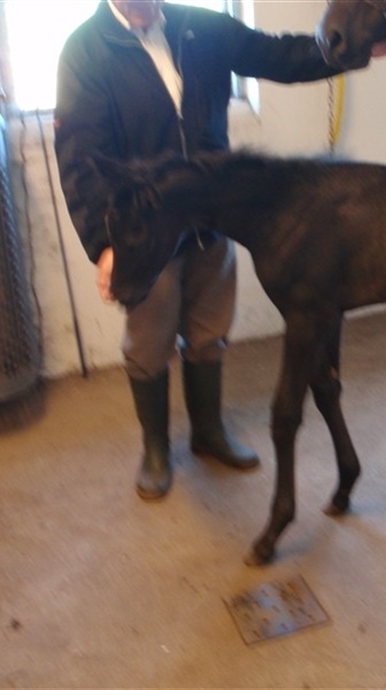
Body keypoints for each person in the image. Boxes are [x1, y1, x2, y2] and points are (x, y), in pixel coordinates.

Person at [54, 0, 352, 500]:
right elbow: (80, 160)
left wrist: (354, 47)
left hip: (212, 219)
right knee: (150, 341)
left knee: (210, 329)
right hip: (149, 231)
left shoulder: (201, 27)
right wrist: (104, 244)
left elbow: (279, 56)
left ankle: (208, 432)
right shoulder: (85, 52)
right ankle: (155, 448)